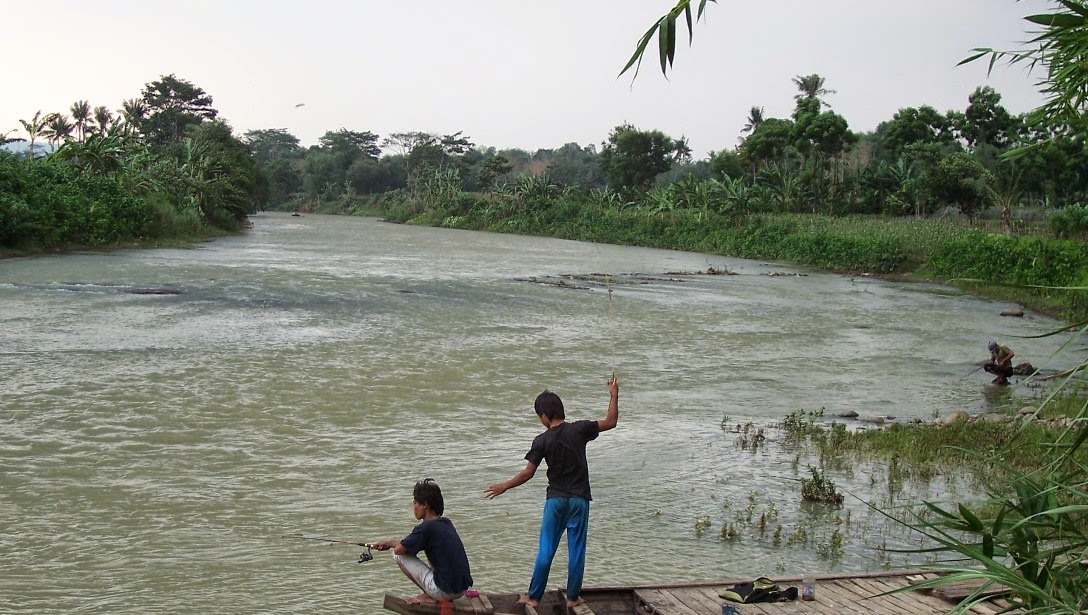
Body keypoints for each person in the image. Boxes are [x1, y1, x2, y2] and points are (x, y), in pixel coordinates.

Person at [484, 376, 619, 610]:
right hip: (579, 500)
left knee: (546, 549)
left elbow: (528, 473)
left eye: (539, 416)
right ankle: (573, 597)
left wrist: (504, 485)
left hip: (556, 500)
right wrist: (614, 395)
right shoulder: (580, 429)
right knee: (576, 550)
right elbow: (611, 421)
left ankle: (534, 597)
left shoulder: (542, 440)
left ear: (545, 415)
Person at [374, 478, 473, 606]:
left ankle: (429, 595)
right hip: (461, 590)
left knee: (397, 555)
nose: (413, 507)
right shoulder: (446, 523)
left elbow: (399, 550)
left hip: (444, 592)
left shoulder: (425, 528)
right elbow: (407, 544)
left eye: (415, 503)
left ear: (424, 505)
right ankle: (432, 593)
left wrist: (389, 543)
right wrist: (390, 542)